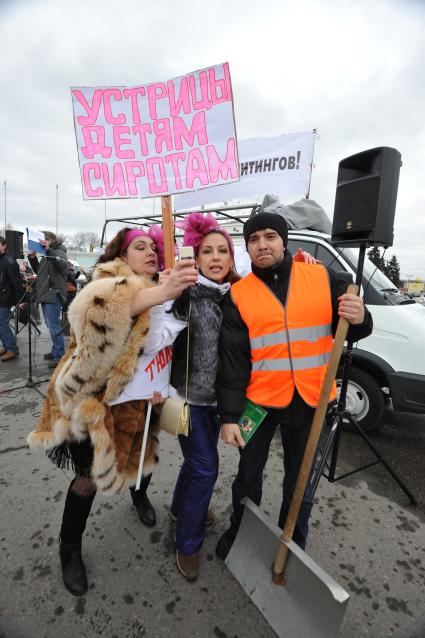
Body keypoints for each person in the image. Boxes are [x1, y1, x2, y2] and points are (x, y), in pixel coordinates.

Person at [27, 226, 198, 596]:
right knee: (88, 478)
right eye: (141, 247)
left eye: (154, 247)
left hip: (147, 401)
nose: (151, 252)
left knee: (143, 458)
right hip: (100, 408)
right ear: (121, 257)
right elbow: (107, 311)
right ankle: (69, 549)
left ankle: (139, 496)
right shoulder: (104, 286)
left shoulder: (164, 289)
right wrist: (160, 292)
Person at [215, 204, 373, 560]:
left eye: (270, 236)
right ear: (248, 247)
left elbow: (353, 326)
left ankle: (293, 545)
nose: (262, 244)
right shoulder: (239, 296)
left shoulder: (322, 278)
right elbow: (233, 363)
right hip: (260, 402)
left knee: (299, 482)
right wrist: (228, 416)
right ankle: (240, 531)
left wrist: (361, 318)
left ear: (284, 241)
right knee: (247, 477)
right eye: (253, 239)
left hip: (311, 401)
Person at [167, 214, 318, 582]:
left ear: (234, 258)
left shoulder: (237, 292)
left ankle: (179, 508)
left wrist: (301, 266)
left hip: (230, 404)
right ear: (196, 257)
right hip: (188, 403)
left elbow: (276, 295)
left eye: (223, 251)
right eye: (207, 252)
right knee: (205, 469)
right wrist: (164, 290)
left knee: (201, 466)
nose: (216, 258)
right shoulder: (182, 296)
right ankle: (187, 544)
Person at [28, 231, 68, 368]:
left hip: (53, 293)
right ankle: (55, 351)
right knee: (50, 325)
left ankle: (60, 356)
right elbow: (40, 271)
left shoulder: (60, 251)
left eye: (43, 241)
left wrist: (48, 249)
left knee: (53, 326)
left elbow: (61, 265)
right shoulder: (47, 254)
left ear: (49, 240)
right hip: (45, 293)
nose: (40, 243)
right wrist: (33, 259)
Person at [0, 236, 22, 361]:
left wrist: (18, 300)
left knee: (2, 324)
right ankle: (6, 345)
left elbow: (16, 283)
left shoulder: (10, 262)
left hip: (5, 298)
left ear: (4, 245)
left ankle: (12, 349)